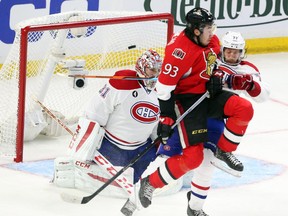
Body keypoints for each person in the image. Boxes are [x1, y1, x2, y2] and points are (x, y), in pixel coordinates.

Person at [138, 7, 255, 216]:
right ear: (196, 30)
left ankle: (224, 151)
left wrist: (216, 76)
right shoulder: (179, 52)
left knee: (243, 108)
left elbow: (214, 62)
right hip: (186, 100)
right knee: (193, 158)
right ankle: (150, 182)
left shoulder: (210, 40)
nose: (213, 31)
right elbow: (163, 89)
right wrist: (166, 117)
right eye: (208, 28)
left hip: (206, 94)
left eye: (212, 27)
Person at [157, 31, 270, 215]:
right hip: (190, 112)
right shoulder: (209, 60)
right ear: (222, 50)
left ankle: (195, 207)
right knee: (164, 150)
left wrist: (249, 84)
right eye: (229, 51)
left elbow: (263, 95)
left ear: (242, 52)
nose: (233, 55)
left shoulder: (247, 69)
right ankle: (141, 182)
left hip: (215, 118)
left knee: (207, 165)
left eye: (237, 52)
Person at [52, 49, 162, 216]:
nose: (156, 74)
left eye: (158, 71)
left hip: (141, 149)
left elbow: (156, 126)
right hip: (111, 147)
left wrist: (160, 143)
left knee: (139, 179)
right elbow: (94, 112)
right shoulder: (122, 83)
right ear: (141, 67)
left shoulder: (161, 91)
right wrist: (86, 143)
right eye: (152, 70)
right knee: (112, 184)